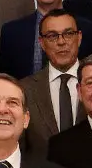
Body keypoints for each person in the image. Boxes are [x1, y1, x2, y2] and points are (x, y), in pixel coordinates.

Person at [21, 9, 86, 158]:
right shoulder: (25, 89)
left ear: (79, 37)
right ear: (42, 43)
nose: (61, 42)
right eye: (52, 36)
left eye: (68, 34)